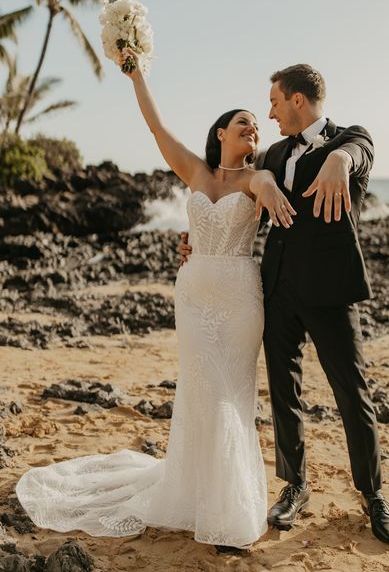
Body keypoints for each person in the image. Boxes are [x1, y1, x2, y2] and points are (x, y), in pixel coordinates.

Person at [15, 49, 295, 553]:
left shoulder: (256, 179)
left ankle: (231, 510)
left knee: (231, 394)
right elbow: (155, 126)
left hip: (238, 300)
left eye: (257, 124)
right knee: (200, 391)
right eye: (243, 123)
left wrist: (270, 183)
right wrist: (136, 73)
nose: (254, 128)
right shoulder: (196, 172)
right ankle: (197, 496)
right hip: (191, 299)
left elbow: (264, 180)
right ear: (220, 135)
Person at [180, 63, 389, 545]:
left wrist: (340, 159)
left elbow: (361, 150)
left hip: (332, 292)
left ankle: (373, 492)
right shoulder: (274, 153)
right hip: (274, 290)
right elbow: (242, 205)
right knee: (285, 392)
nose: (270, 111)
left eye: (275, 101)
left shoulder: (350, 139)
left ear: (298, 99)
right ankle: (295, 485)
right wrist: (196, 241)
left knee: (352, 391)